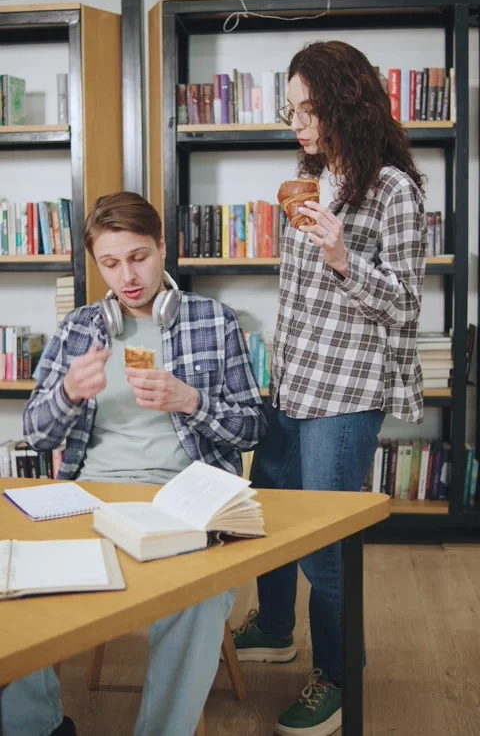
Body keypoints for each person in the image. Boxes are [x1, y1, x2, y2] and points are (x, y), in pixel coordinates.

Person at [2, 191, 267, 736]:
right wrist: (69, 394)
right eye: (111, 263)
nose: (128, 276)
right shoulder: (78, 329)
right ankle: (38, 727)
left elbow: (253, 428)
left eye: (140, 257)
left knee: (195, 601)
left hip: (185, 497)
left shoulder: (213, 321)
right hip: (89, 498)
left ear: (163, 247)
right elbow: (34, 432)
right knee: (8, 584)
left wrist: (189, 400)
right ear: (96, 264)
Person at [233, 40, 427, 736]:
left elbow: (406, 305)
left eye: (309, 109)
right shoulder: (310, 178)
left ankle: (340, 675)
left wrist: (344, 256)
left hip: (345, 393)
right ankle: (278, 626)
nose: (300, 126)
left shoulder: (395, 190)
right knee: (270, 514)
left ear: (348, 102)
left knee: (325, 544)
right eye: (292, 112)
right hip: (291, 382)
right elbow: (297, 294)